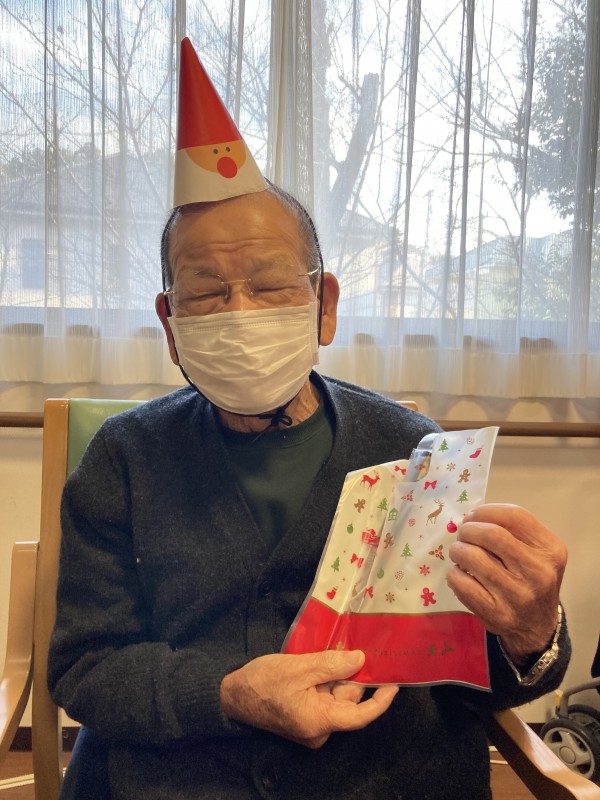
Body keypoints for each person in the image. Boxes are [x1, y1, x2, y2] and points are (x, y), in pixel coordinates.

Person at [48, 39, 570, 800]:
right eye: (205, 292)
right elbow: (86, 666)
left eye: (270, 286)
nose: (239, 313)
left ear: (324, 305)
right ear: (170, 322)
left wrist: (531, 633)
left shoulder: (414, 451)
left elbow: (469, 676)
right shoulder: (123, 459)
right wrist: (229, 693)